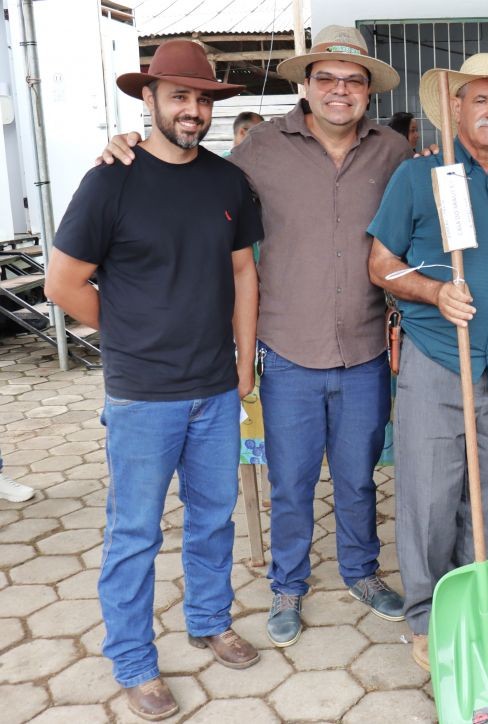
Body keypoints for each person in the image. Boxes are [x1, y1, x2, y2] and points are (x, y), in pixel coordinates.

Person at [97, 25, 412, 648]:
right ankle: (288, 586)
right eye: (326, 77)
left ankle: (361, 571)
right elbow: (188, 177)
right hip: (288, 351)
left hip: (367, 347)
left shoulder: (396, 152)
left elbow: (429, 208)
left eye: (353, 80)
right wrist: (123, 148)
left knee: (357, 476)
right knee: (290, 483)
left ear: (368, 91)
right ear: (305, 84)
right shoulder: (259, 151)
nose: (339, 90)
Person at [44, 40, 262, 720]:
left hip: (216, 389)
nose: (192, 110)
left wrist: (246, 359)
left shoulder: (227, 182)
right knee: (135, 531)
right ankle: (134, 661)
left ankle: (208, 619)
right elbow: (62, 282)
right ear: (149, 99)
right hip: (142, 396)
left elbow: (243, 273)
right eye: (179, 96)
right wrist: (130, 332)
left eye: (203, 99)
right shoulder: (111, 179)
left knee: (212, 520)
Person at [367, 53, 488, 671]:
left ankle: (480, 604)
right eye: (480, 101)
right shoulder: (421, 176)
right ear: (456, 107)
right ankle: (426, 616)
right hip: (437, 360)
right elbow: (381, 265)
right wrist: (434, 290)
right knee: (428, 495)